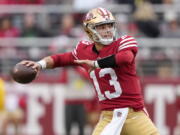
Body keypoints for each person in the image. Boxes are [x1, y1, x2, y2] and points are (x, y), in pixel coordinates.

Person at [19, 7, 160, 135]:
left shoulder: (123, 42)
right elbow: (60, 59)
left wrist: (96, 63)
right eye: (101, 27)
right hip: (109, 116)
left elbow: (125, 58)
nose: (107, 30)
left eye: (109, 25)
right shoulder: (84, 50)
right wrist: (39, 64)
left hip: (134, 113)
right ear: (89, 30)